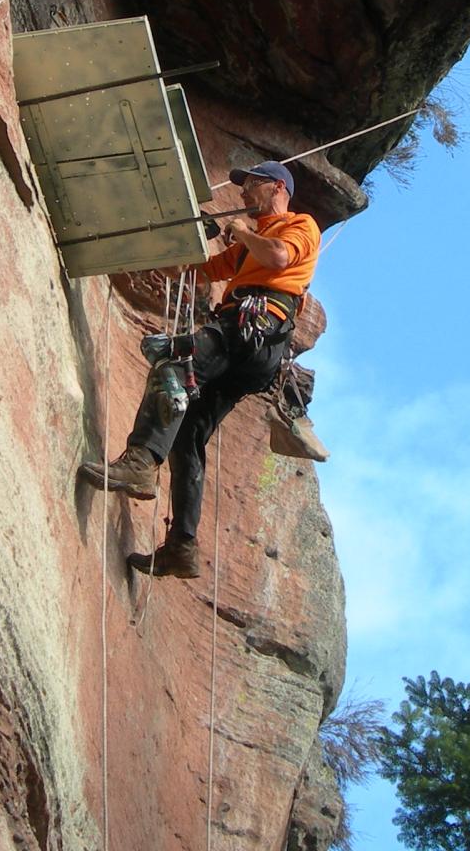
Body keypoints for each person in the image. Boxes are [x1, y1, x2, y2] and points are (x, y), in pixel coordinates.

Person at [80, 160, 321, 578]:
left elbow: (279, 258)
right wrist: (167, 248)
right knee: (188, 433)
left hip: (252, 326)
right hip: (253, 347)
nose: (243, 195)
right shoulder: (253, 241)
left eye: (251, 187)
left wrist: (243, 233)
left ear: (276, 187)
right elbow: (206, 270)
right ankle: (182, 546)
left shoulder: (299, 225)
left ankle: (140, 463)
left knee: (174, 364)